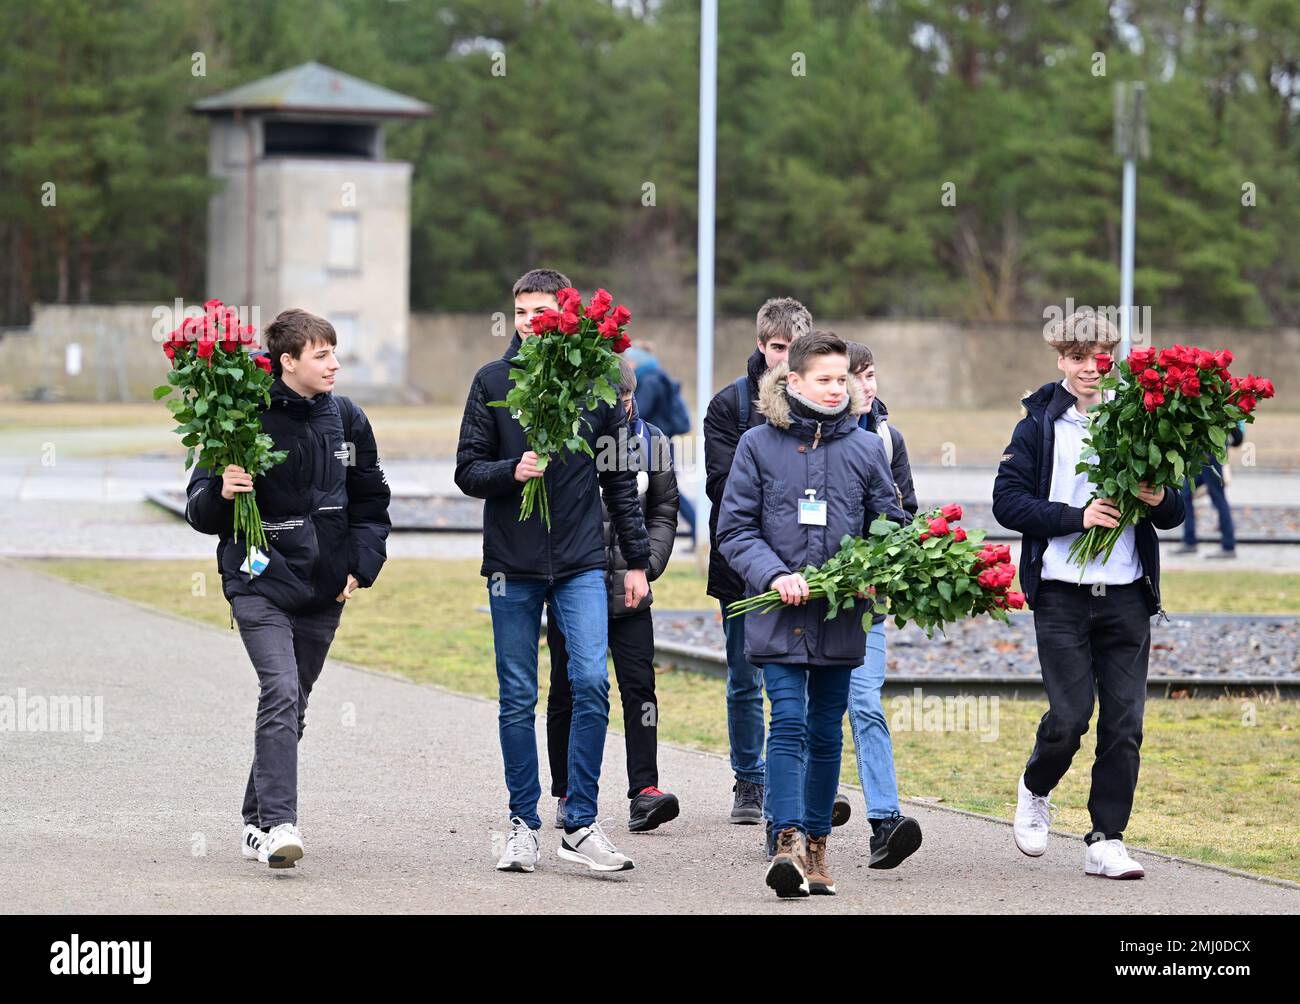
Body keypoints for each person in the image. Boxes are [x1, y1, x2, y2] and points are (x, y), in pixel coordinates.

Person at [455, 267, 651, 874]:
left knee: (591, 682)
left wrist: (638, 562)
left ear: (563, 315)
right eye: (520, 315)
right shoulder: (491, 381)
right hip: (510, 566)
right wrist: (510, 471)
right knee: (517, 696)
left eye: (542, 314)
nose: (530, 325)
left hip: (581, 562)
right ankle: (522, 822)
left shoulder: (594, 386)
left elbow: (620, 481)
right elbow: (466, 470)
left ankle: (581, 822)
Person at [184, 308, 392, 869]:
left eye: (334, 352)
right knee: (280, 691)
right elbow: (198, 510)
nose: (334, 364)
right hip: (258, 583)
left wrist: (361, 565)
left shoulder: (348, 419)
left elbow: (373, 501)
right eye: (321, 354)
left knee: (293, 704)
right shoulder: (238, 418)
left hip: (326, 589)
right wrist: (222, 494)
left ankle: (254, 822)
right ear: (288, 362)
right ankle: (279, 826)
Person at [992, 310, 1185, 879]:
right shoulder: (1036, 426)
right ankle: (1036, 786)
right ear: (1061, 361)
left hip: (1126, 595)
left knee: (1124, 724)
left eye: (1101, 359)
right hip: (1060, 595)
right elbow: (1007, 503)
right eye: (1078, 359)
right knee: (1070, 717)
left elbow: (1174, 511)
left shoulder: (1140, 421)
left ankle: (1106, 838)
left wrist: (1155, 498)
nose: (1090, 370)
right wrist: (1076, 517)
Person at [717, 330, 910, 899]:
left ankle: (820, 846)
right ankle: (786, 841)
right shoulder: (757, 444)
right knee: (789, 722)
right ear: (793, 381)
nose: (835, 389)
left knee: (827, 731)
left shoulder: (866, 448)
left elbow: (892, 524)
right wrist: (776, 575)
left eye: (841, 379)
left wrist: (874, 568)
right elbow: (734, 529)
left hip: (842, 615)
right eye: (822, 379)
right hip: (779, 612)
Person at [545, 355, 681, 833]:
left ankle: (645, 791)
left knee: (639, 688)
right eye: (611, 400)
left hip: (631, 589)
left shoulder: (654, 443)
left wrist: (647, 568)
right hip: (573, 587)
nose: (621, 408)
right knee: (569, 689)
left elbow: (664, 511)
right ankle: (566, 792)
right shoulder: (572, 439)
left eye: (627, 399)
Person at [703, 296, 809, 826]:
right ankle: (750, 779)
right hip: (742, 562)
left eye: (795, 349)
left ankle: (802, 779)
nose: (785, 361)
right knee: (745, 676)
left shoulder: (825, 400)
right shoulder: (730, 405)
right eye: (777, 349)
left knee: (803, 677)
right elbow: (721, 488)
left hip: (811, 564)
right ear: (760, 345)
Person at [841, 340, 924, 868]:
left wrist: (883, 567)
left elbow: (905, 515)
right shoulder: (798, 440)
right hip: (809, 604)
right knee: (807, 712)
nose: (868, 387)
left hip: (867, 603)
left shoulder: (888, 439)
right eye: (857, 377)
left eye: (872, 375)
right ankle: (795, 816)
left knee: (866, 702)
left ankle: (885, 822)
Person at [625, 344, 696, 546]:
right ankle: (696, 529)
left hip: (652, 443)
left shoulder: (649, 381)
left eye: (629, 360)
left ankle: (697, 529)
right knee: (665, 489)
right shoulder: (656, 376)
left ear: (636, 361)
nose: (627, 364)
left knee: (665, 490)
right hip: (657, 441)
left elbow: (640, 411)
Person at [1175, 422, 1242, 559]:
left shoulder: (1224, 403)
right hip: (1203, 454)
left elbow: (1237, 436)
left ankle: (1228, 546)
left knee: (1218, 498)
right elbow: (1237, 438)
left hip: (1210, 454)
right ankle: (1190, 541)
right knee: (1186, 494)